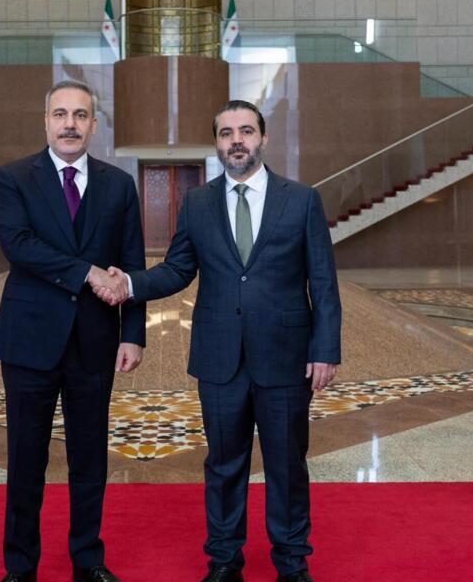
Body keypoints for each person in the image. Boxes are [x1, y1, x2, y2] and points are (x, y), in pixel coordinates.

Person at [97, 100, 341, 582]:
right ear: (217, 142)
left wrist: (325, 349)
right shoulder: (198, 202)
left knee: (287, 465)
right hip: (219, 357)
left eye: (246, 131)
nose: (237, 141)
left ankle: (292, 563)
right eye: (227, 132)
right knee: (224, 464)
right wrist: (129, 283)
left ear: (263, 138)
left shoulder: (302, 199)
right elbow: (178, 269)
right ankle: (225, 560)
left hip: (287, 358)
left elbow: (324, 281)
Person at [0, 79, 143, 582]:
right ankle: (19, 565)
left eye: (80, 115)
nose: (70, 124)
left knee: (90, 457)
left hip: (96, 340)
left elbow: (132, 265)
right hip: (29, 340)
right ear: (47, 121)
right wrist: (86, 272)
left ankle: (88, 560)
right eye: (61, 114)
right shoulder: (13, 178)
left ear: (94, 125)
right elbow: (19, 245)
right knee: (26, 457)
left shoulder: (119, 185)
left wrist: (133, 333)